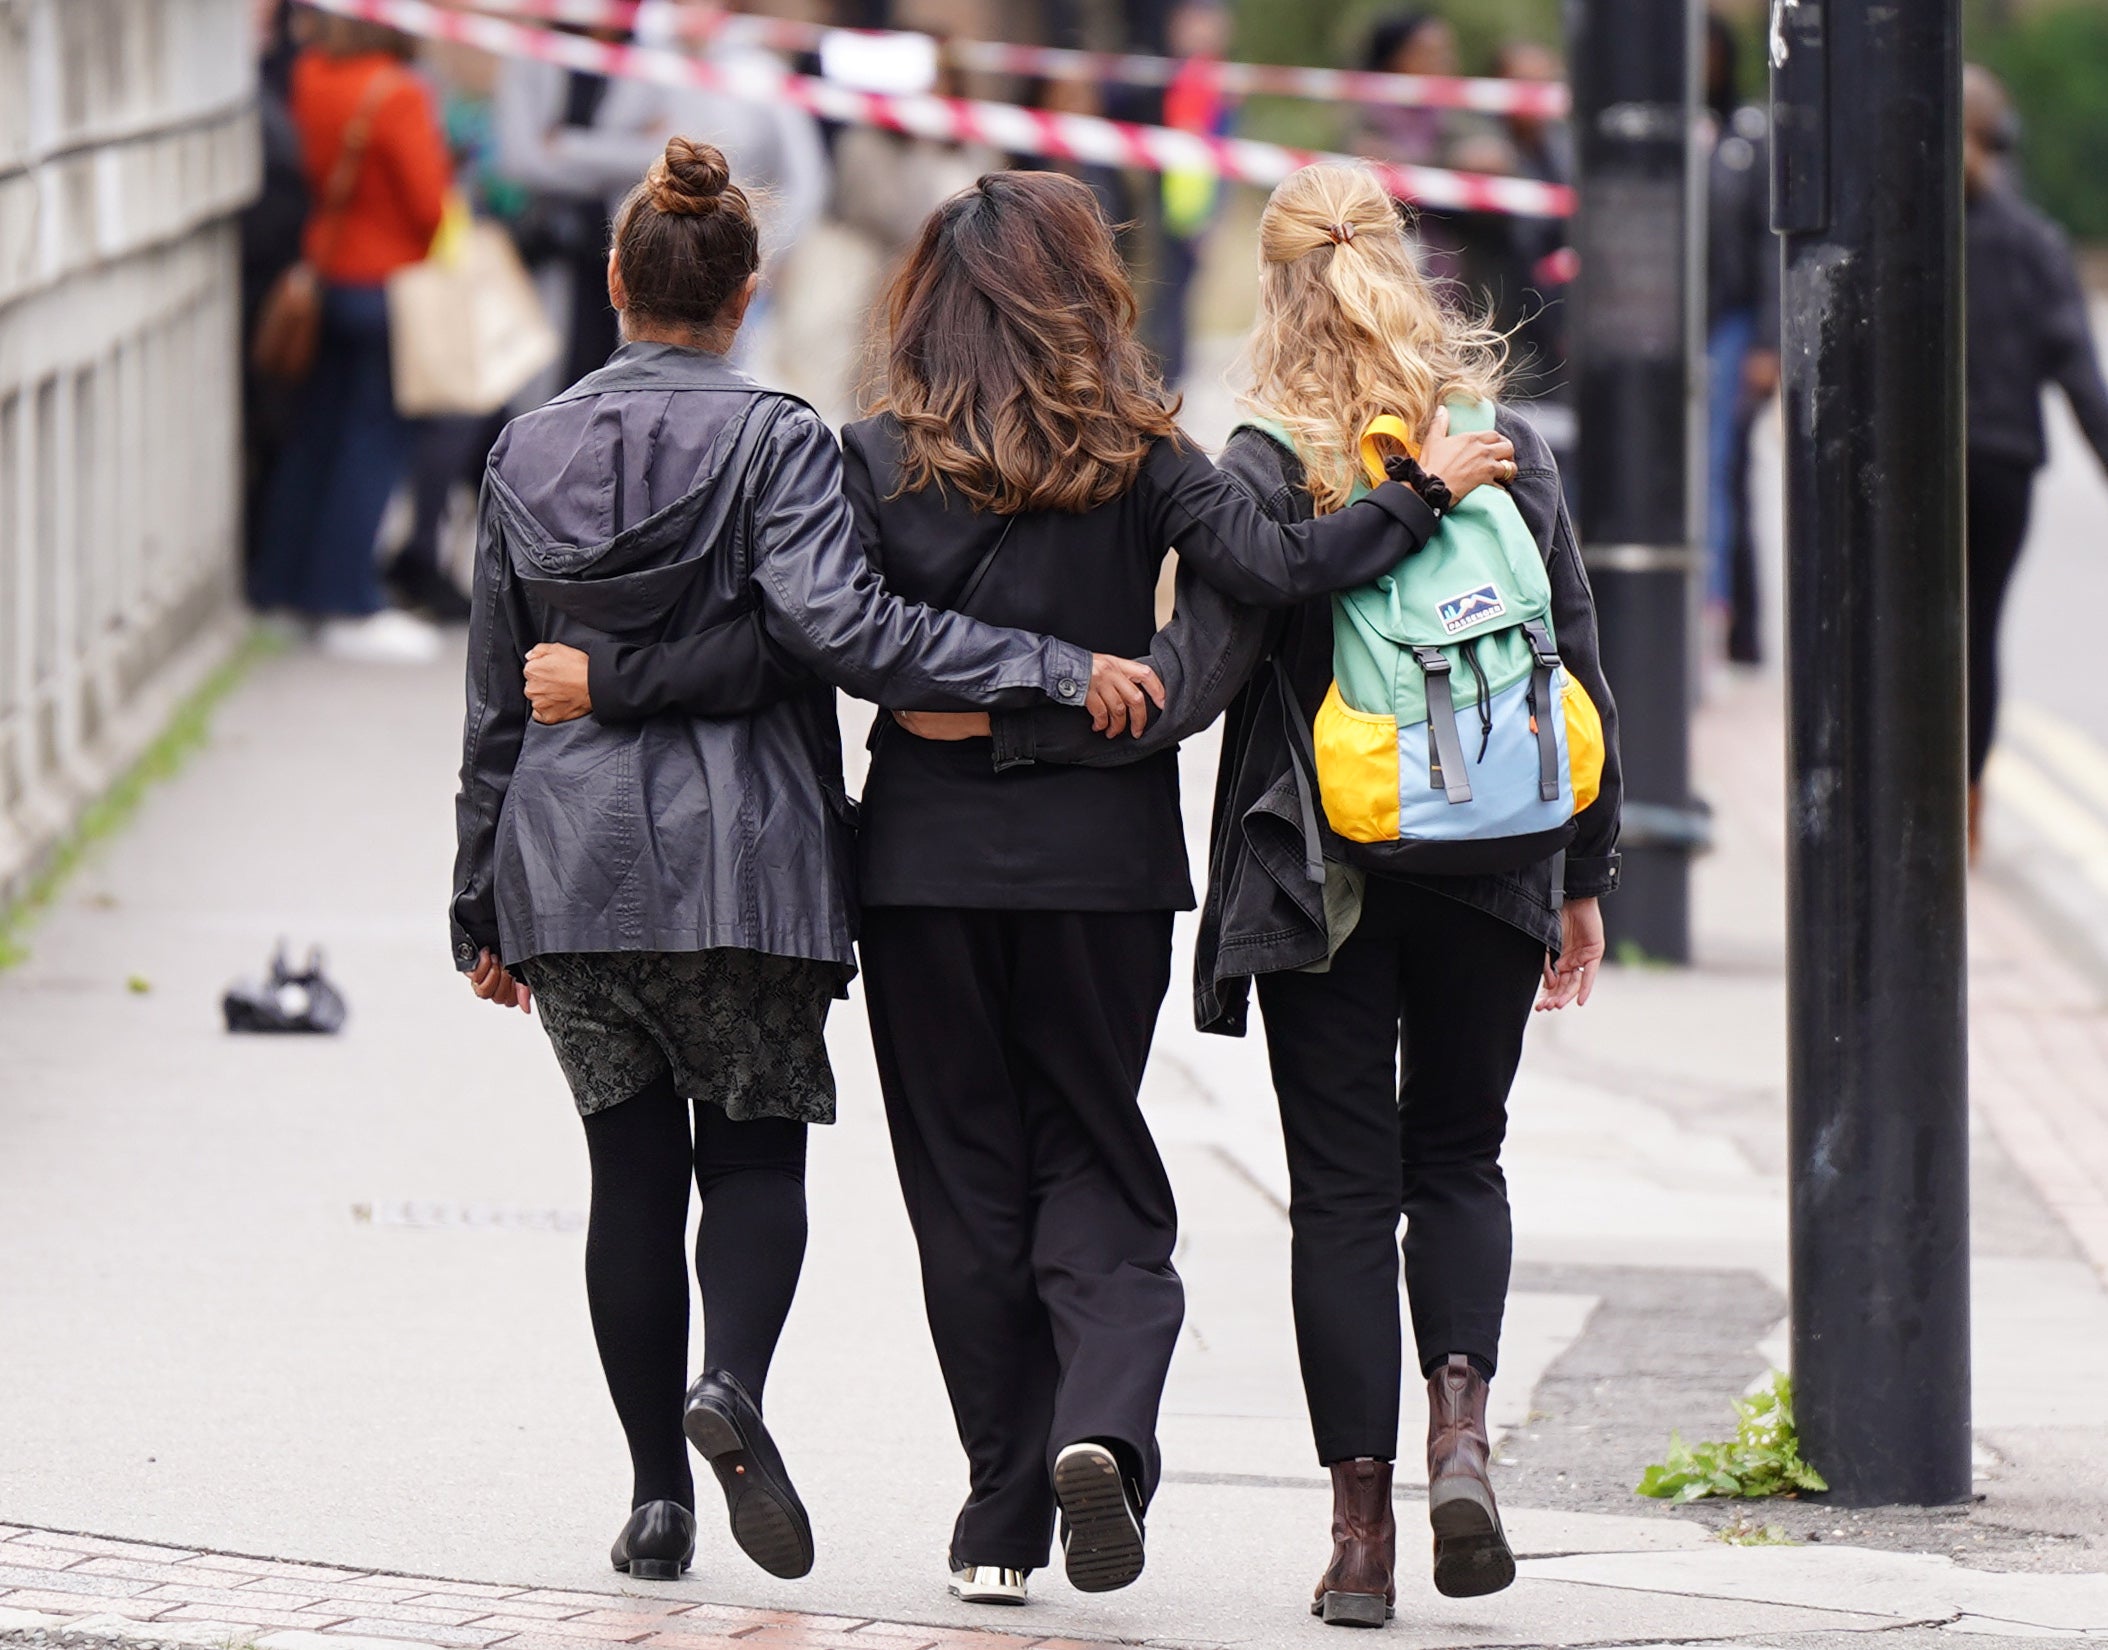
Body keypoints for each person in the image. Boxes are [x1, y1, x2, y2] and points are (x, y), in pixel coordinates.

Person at [519, 169, 1505, 1607]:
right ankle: (1099, 1422)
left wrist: (945, 701)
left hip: (921, 867)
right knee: (1095, 1156)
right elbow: (1273, 570)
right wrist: (1406, 501)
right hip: (1101, 865)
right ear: (1084, 295)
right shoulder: (1145, 453)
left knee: (966, 1181)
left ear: (924, 301)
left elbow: (829, 628)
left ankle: (998, 1506)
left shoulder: (870, 456)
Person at [450, 138, 1162, 1587]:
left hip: (570, 860)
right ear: (748, 290)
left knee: (627, 1169)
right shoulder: (781, 441)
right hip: (751, 859)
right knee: (756, 1144)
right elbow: (840, 632)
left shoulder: (524, 449)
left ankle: (658, 1494)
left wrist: (478, 893)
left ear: (612, 283)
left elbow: (492, 696)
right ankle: (737, 1385)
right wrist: (1048, 661)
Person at [977, 162, 1622, 1620]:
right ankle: (1461, 1424)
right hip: (1498, 847)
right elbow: (1575, 655)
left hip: (1320, 869)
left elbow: (1198, 681)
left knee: (1341, 1194)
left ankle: (1360, 1537)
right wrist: (1586, 869)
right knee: (1459, 1156)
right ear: (1414, 267)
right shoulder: (1500, 440)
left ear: (1273, 289)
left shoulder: (1269, 465)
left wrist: (1028, 724)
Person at [249, 16, 451, 662]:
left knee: (314, 439)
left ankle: (280, 587)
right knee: (372, 448)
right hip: (385, 284)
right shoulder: (398, 90)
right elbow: (428, 204)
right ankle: (346, 600)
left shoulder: (310, 74)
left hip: (323, 276)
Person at [1960, 63, 2108, 857]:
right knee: (1978, 634)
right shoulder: (2035, 242)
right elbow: (2080, 372)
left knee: (1902, 636)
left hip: (1913, 477)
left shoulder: (1897, 238)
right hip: (2002, 467)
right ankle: (1968, 808)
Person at [1702, 13, 1778, 665]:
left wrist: (1768, 343)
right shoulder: (1662, 133)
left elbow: (1766, 246)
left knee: (1720, 469)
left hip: (1730, 326)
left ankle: (1727, 617)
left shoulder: (1747, 138)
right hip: (1667, 330)